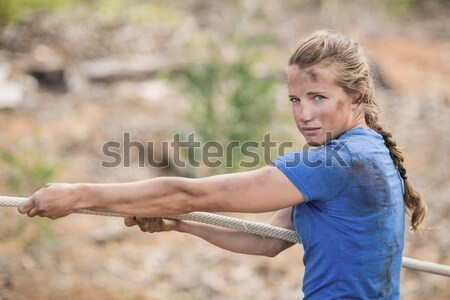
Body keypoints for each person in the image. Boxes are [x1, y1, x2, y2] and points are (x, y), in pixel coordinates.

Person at [18, 30, 427, 299]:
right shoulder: (366, 150)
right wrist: (181, 223)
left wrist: (75, 194)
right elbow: (268, 241)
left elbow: (189, 191)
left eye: (318, 97)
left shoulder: (337, 162)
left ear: (356, 97)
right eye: (295, 99)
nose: (303, 113)